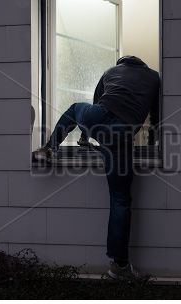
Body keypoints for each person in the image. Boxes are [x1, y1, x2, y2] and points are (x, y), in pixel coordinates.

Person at [35, 56, 160, 280]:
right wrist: (154, 145)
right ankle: (119, 267)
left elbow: (97, 101)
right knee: (120, 199)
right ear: (141, 65)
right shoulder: (154, 78)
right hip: (123, 134)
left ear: (123, 63)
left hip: (98, 120)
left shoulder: (112, 71)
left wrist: (86, 134)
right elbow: (156, 117)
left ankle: (49, 148)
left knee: (74, 109)